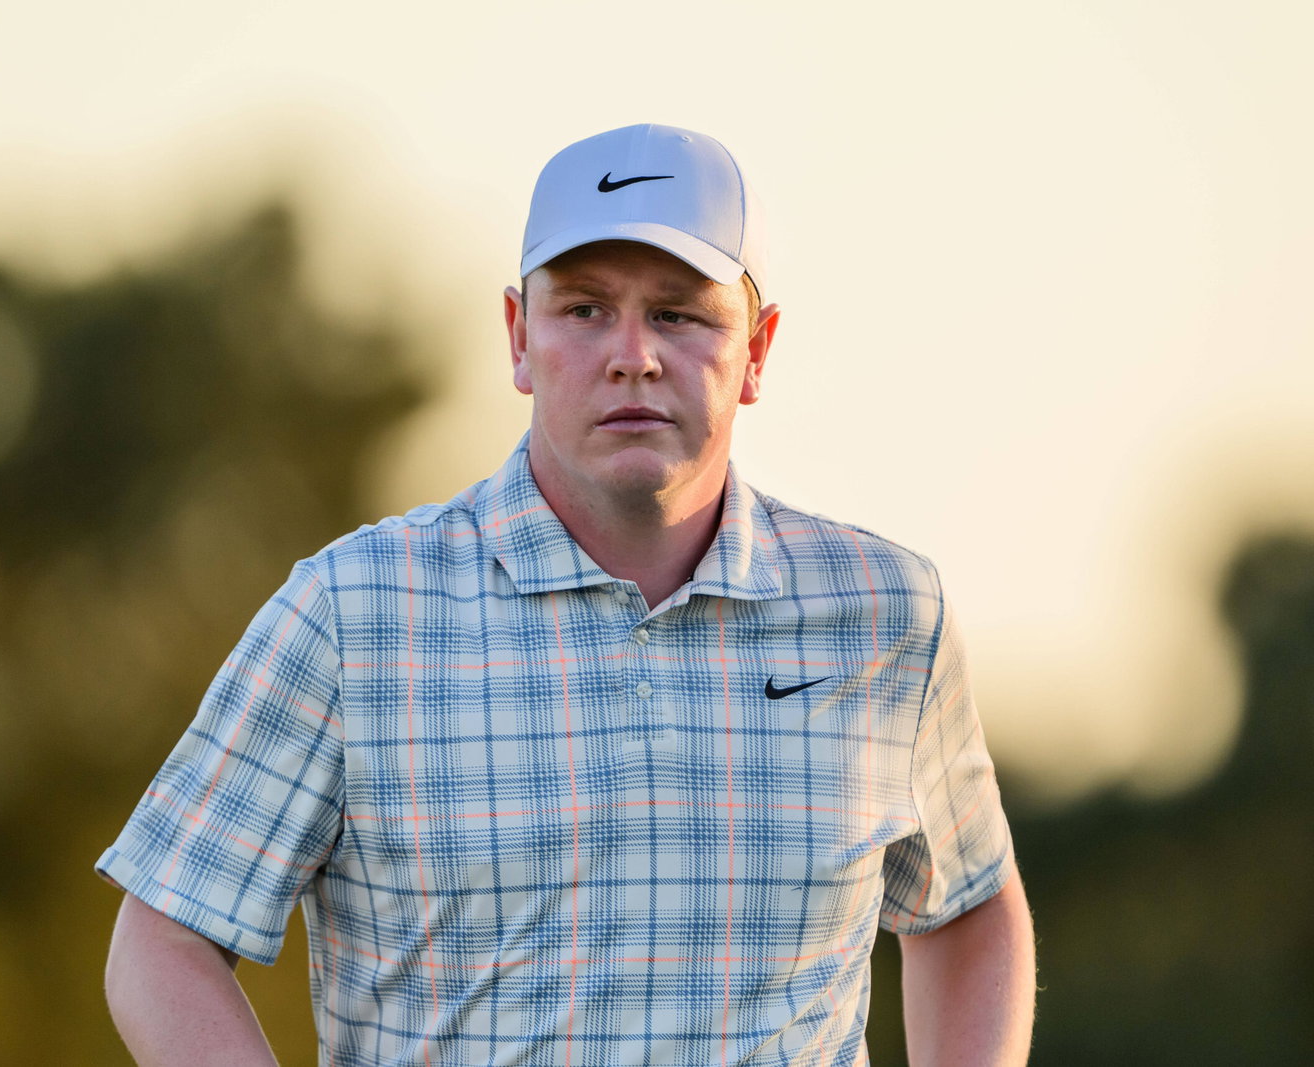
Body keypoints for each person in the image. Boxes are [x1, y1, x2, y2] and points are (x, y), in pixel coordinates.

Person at [98, 123, 1035, 1066]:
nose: (633, 355)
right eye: (585, 310)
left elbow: (966, 908)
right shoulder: (355, 613)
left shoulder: (885, 614)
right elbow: (163, 939)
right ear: (519, 337)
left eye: (679, 314)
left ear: (757, 349)